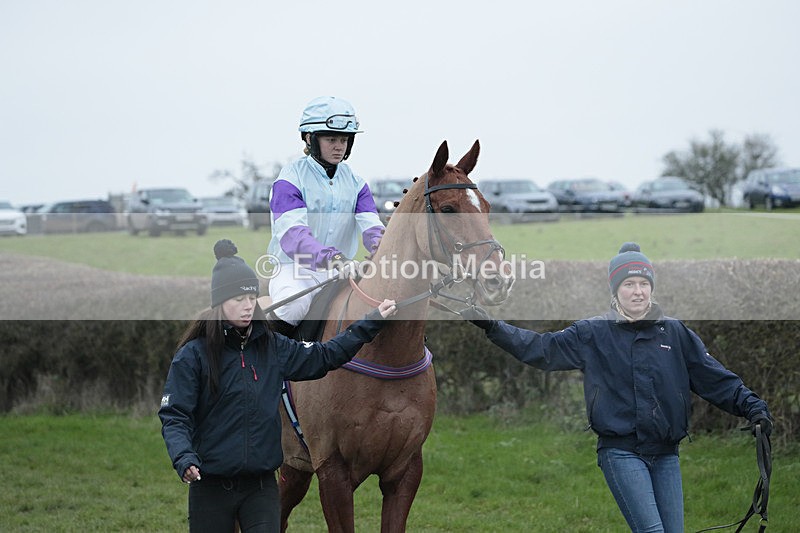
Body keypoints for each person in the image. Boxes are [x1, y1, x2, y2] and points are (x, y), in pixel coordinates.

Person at [461, 242, 773, 533]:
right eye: (629, 284)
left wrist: (753, 408)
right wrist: (493, 326)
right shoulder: (593, 333)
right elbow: (542, 349)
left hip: (666, 454)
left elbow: (715, 379)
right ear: (615, 290)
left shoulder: (675, 333)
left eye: (644, 284)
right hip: (621, 452)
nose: (638, 292)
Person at [159, 239, 396, 533]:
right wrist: (183, 457)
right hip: (210, 487)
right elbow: (175, 415)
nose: (247, 307)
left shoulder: (272, 347)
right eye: (238, 300)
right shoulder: (193, 356)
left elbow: (325, 356)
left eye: (251, 298)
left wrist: (370, 321)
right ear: (219, 303)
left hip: (261, 488)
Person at [266, 95, 385, 329]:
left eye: (344, 139)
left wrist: (383, 249)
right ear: (310, 139)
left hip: (339, 272)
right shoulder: (289, 179)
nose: (339, 146)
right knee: (293, 307)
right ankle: (271, 360)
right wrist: (332, 257)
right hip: (295, 270)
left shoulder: (357, 182)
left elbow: (372, 227)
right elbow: (294, 237)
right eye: (331, 139)